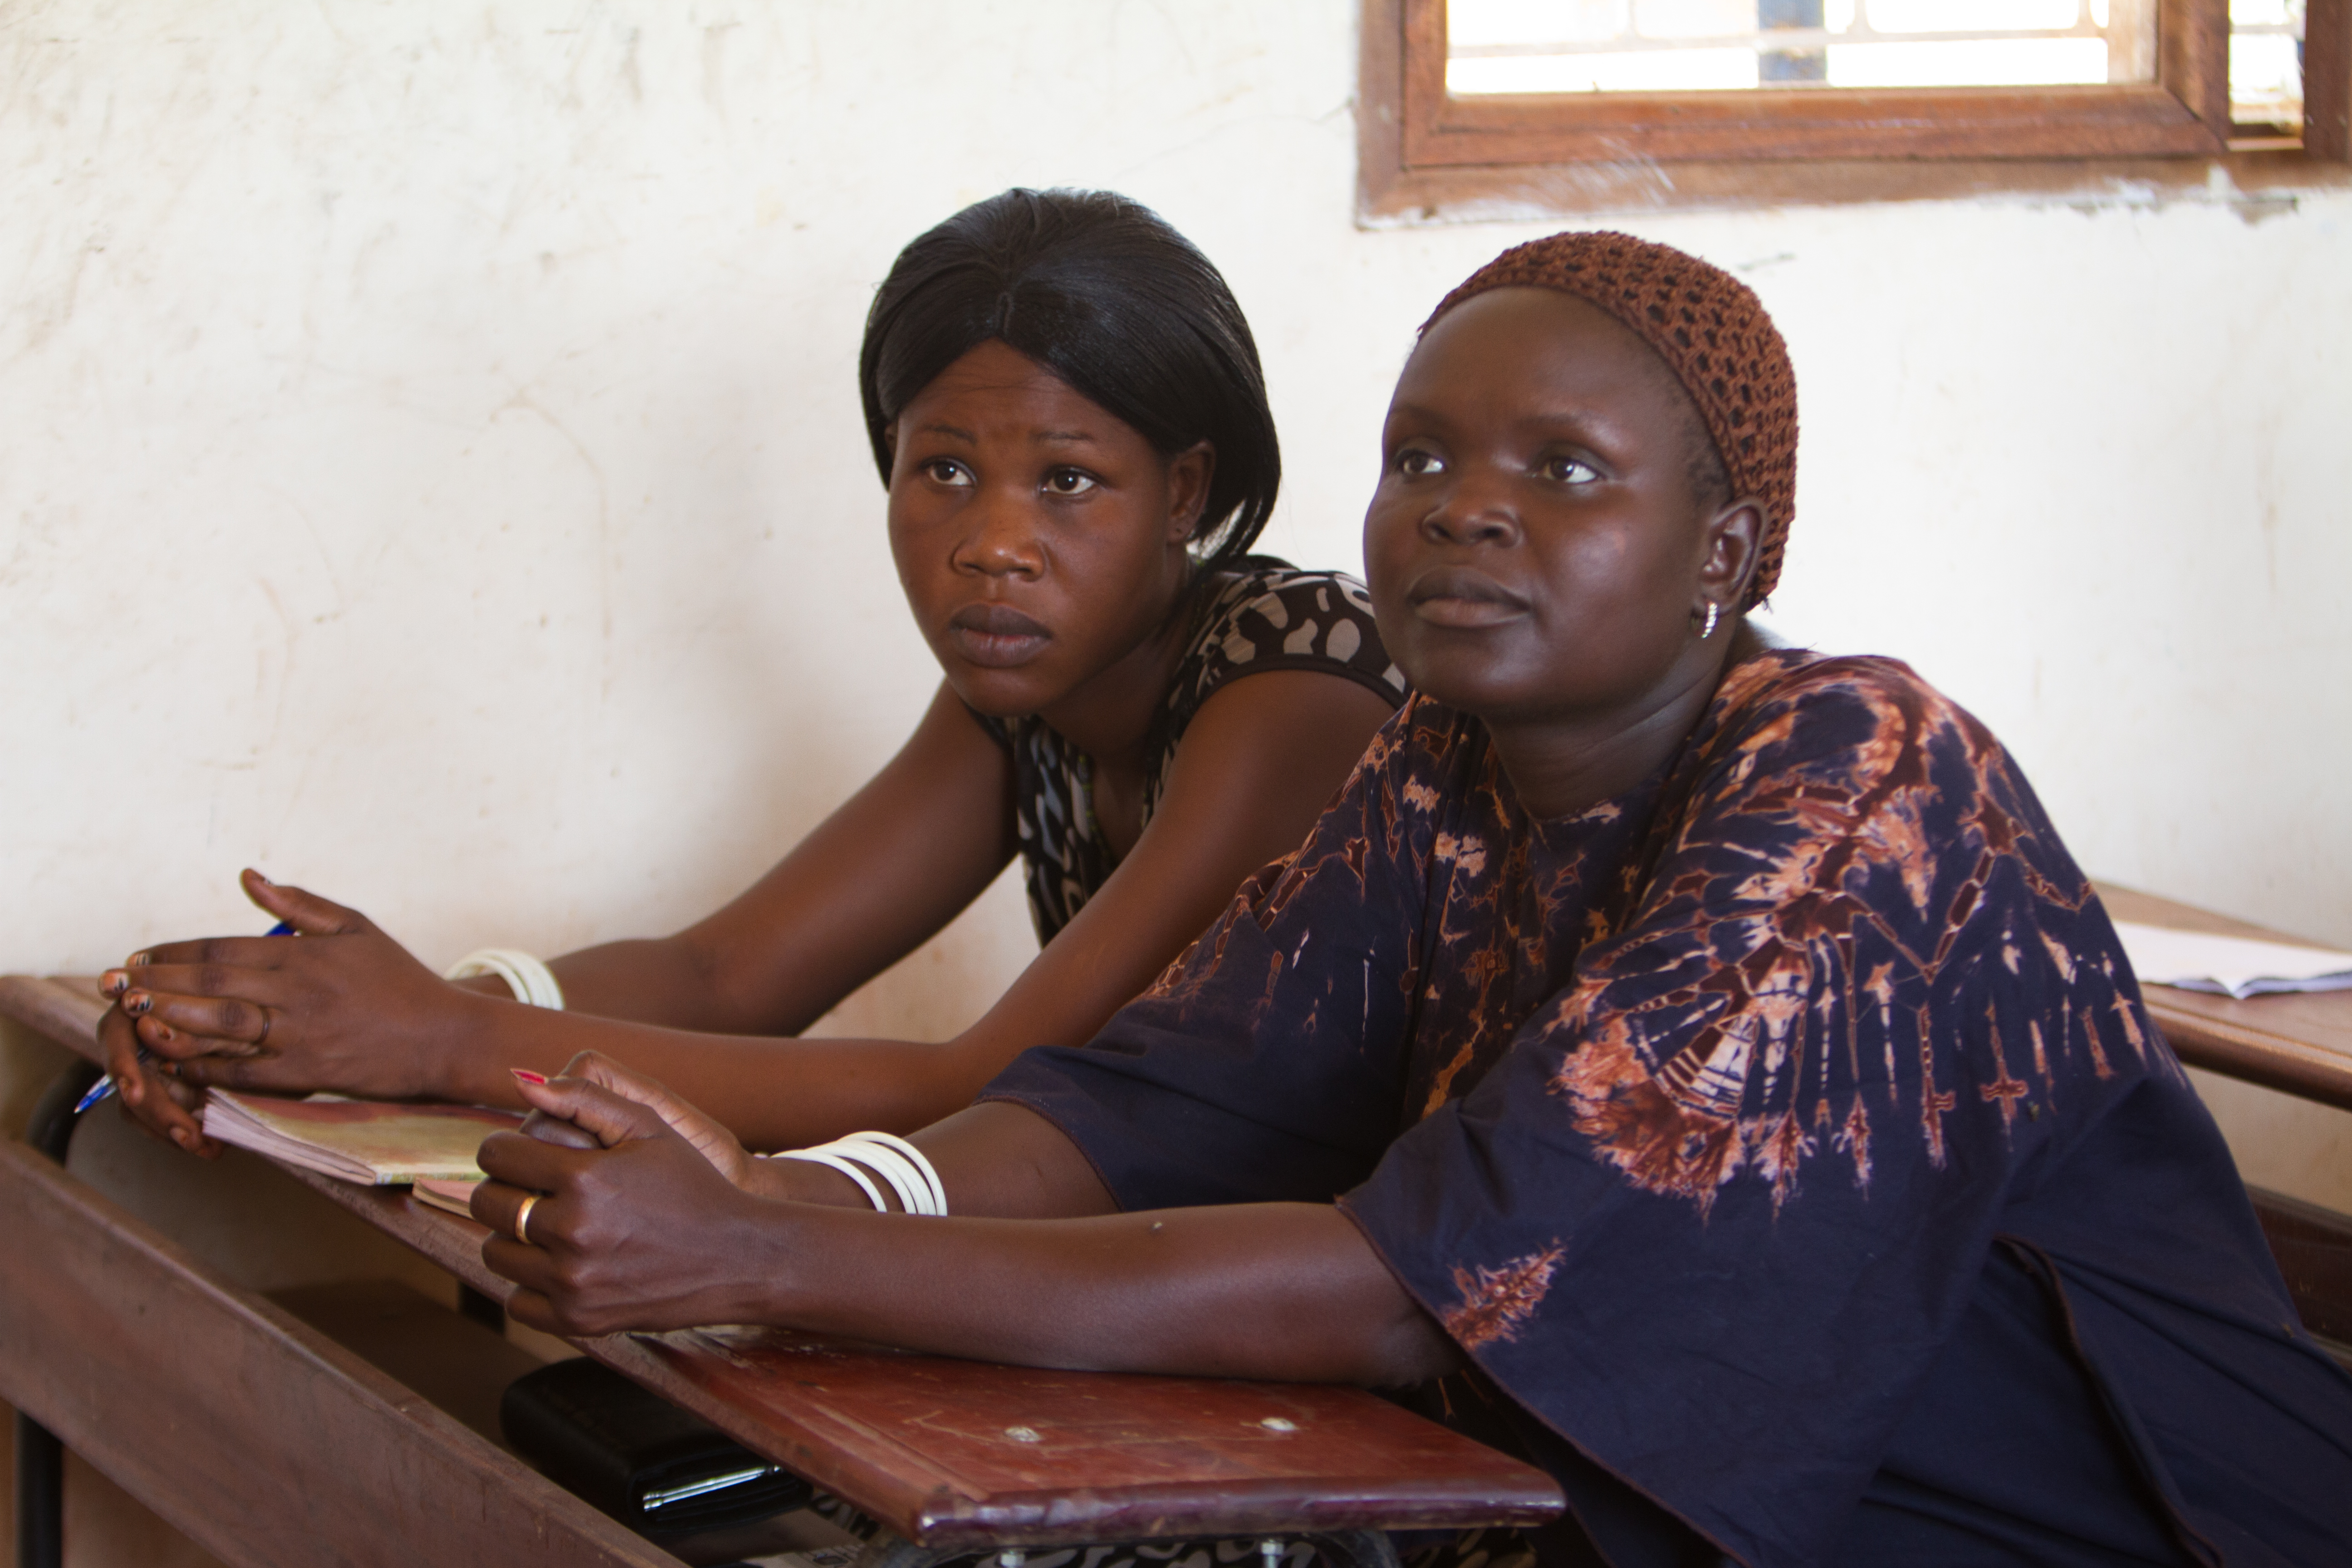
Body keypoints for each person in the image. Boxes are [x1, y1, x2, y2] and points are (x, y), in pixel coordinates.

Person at [462, 231, 2352, 1568]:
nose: (1463, 509)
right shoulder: (1440, 767)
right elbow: (1146, 1105)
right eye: (1423, 457)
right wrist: (766, 1199)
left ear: (1728, 552)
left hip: (2087, 1518)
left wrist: (769, 1263)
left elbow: (1417, 1295)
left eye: (1565, 471)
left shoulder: (1854, 785)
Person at [98, 188, 1403, 1156]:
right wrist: (325, 1017)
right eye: (943, 469)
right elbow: (730, 979)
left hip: (1400, 1349)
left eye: (1068, 482)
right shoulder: (1029, 697)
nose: (993, 546)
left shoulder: (1297, 691)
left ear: (1185, 491)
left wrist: (447, 1042)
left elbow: (992, 1082)